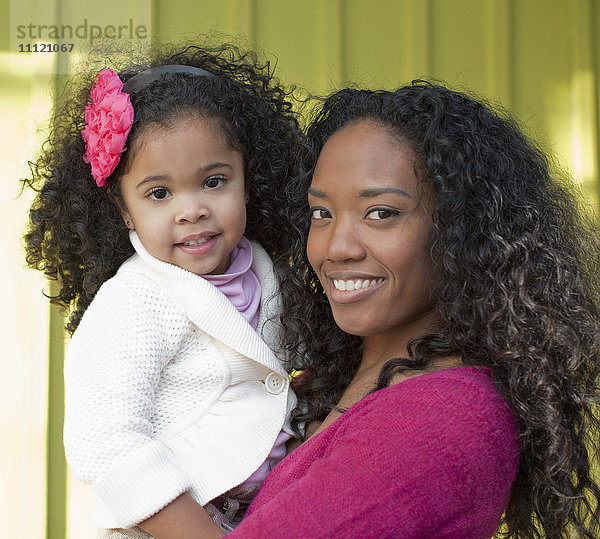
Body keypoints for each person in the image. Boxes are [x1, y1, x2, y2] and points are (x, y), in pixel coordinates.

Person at [224, 83, 600, 537]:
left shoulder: (443, 417)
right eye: (321, 213)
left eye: (381, 213)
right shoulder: (327, 386)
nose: (335, 248)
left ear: (464, 232)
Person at [22, 44, 302, 537]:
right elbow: (103, 440)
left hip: (259, 516)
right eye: (159, 193)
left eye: (214, 181)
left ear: (247, 180)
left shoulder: (267, 271)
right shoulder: (136, 302)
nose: (191, 209)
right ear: (124, 209)